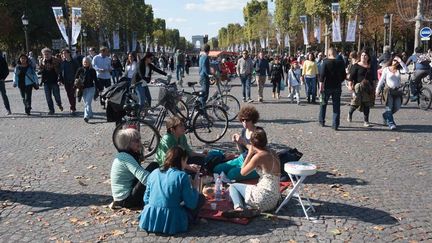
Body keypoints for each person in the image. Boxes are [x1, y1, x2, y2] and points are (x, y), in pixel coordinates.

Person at [139, 147, 205, 235]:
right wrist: (194, 187)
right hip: (172, 219)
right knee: (200, 198)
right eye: (185, 161)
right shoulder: (182, 176)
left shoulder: (154, 172)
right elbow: (191, 204)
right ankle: (191, 219)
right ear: (182, 160)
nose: (186, 164)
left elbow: (146, 199)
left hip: (150, 218)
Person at [223, 128, 280, 218]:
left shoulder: (259, 156)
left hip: (263, 197)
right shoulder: (273, 152)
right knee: (250, 189)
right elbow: (256, 148)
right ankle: (250, 208)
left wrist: (249, 154)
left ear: (253, 143)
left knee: (233, 186)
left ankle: (238, 208)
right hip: (274, 198)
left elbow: (243, 172)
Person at [110, 128, 159, 209]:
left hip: (125, 195)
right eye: (136, 141)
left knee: (154, 165)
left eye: (140, 139)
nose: (140, 143)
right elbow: (144, 177)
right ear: (128, 143)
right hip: (126, 200)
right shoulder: (125, 157)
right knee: (154, 166)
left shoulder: (126, 154)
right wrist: (162, 186)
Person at [213, 106, 259, 181]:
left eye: (247, 120)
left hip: (254, 163)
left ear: (253, 119)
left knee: (232, 174)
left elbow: (256, 151)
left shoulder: (258, 132)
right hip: (242, 159)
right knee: (217, 169)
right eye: (242, 120)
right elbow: (242, 151)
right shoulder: (244, 130)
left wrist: (243, 142)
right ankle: (237, 170)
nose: (244, 122)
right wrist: (237, 142)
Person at [376, 56, 408, 130]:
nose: (395, 62)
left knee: (397, 107)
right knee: (389, 108)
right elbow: (381, 80)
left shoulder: (399, 70)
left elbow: (406, 70)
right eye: (394, 60)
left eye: (397, 61)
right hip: (388, 91)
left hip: (397, 91)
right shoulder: (386, 69)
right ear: (391, 60)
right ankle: (391, 123)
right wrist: (377, 90)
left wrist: (401, 61)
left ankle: (385, 115)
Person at [318, 48, 346, 130]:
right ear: (336, 54)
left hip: (327, 86)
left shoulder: (325, 62)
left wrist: (320, 87)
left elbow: (322, 76)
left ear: (328, 54)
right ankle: (335, 124)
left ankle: (321, 121)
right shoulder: (341, 63)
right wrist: (339, 80)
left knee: (323, 104)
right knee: (336, 106)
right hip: (337, 86)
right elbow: (344, 75)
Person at [347, 50, 374, 127]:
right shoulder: (356, 65)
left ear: (368, 57)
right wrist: (350, 86)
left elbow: (373, 78)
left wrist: (374, 88)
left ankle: (366, 121)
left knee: (366, 104)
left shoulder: (370, 66)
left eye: (365, 55)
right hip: (358, 88)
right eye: (362, 55)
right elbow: (351, 77)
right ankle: (350, 113)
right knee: (355, 104)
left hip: (367, 88)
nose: (363, 57)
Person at [39, 48, 63, 115]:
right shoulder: (41, 61)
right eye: (44, 54)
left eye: (47, 54)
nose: (46, 55)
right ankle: (51, 110)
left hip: (55, 81)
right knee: (48, 97)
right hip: (46, 82)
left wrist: (60, 78)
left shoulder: (57, 60)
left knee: (57, 96)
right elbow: (40, 69)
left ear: (50, 54)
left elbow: (61, 69)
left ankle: (59, 104)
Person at [75, 57, 98, 123]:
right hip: (82, 89)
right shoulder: (80, 69)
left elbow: (95, 80)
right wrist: (75, 86)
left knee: (87, 103)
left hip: (91, 88)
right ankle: (90, 114)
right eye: (84, 62)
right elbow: (76, 78)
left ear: (89, 62)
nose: (85, 63)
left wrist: (100, 88)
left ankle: (86, 116)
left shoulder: (92, 70)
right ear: (82, 62)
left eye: (87, 62)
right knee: (86, 103)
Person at [59, 49, 79, 115]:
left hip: (74, 81)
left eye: (65, 53)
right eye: (63, 53)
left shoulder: (74, 62)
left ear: (69, 53)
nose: (64, 54)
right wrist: (60, 80)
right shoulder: (62, 63)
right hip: (66, 81)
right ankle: (72, 106)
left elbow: (78, 70)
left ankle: (73, 108)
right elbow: (60, 72)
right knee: (69, 94)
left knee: (72, 94)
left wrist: (77, 79)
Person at [0, 51, 11, 115]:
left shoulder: (2, 59)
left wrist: (3, 78)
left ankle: (8, 109)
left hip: (0, 80)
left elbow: (6, 71)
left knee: (4, 95)